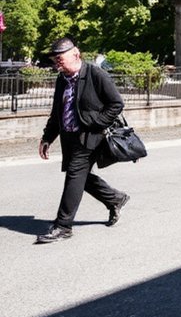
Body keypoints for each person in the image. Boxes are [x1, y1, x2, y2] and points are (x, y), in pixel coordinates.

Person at [36, 38, 131, 244]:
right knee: (81, 177)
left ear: (75, 54)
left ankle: (63, 226)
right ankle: (115, 198)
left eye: (60, 57)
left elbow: (116, 103)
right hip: (69, 137)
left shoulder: (95, 74)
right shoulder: (62, 79)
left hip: (91, 137)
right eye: (54, 59)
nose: (56, 61)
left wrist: (96, 123)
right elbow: (57, 112)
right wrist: (47, 137)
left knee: (74, 176)